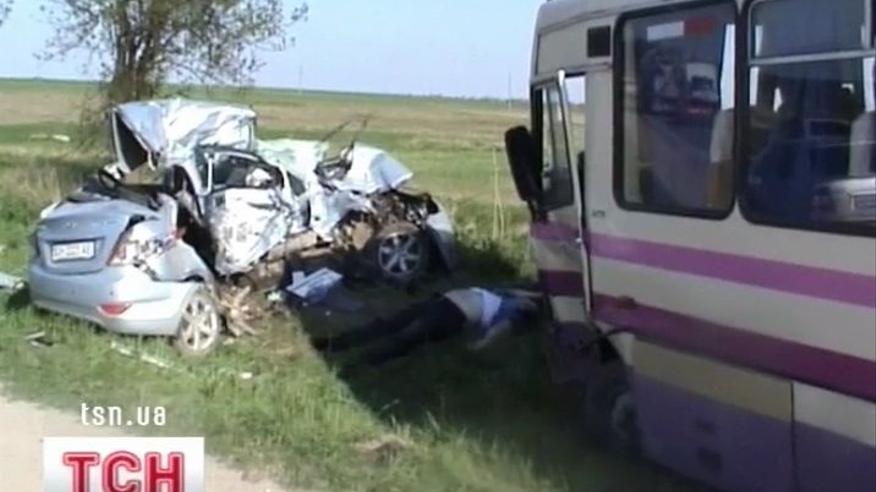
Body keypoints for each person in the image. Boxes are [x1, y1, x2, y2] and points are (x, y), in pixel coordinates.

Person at [311, 287, 541, 366]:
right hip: (441, 303)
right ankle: (331, 345)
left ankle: (356, 366)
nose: (528, 299)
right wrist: (540, 295)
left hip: (452, 315)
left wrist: (478, 347)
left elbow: (497, 333)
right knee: (388, 326)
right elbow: (520, 292)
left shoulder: (515, 314)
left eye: (533, 302)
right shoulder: (509, 297)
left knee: (404, 339)